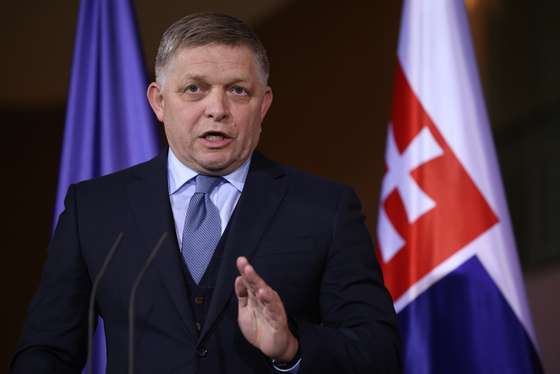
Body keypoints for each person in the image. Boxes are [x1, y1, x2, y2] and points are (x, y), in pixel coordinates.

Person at [11, 13, 401, 374]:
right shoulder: (95, 208)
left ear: (263, 105)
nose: (217, 109)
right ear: (158, 102)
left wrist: (291, 348)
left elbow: (380, 354)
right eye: (194, 88)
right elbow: (46, 351)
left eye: (238, 91)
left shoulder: (325, 209)